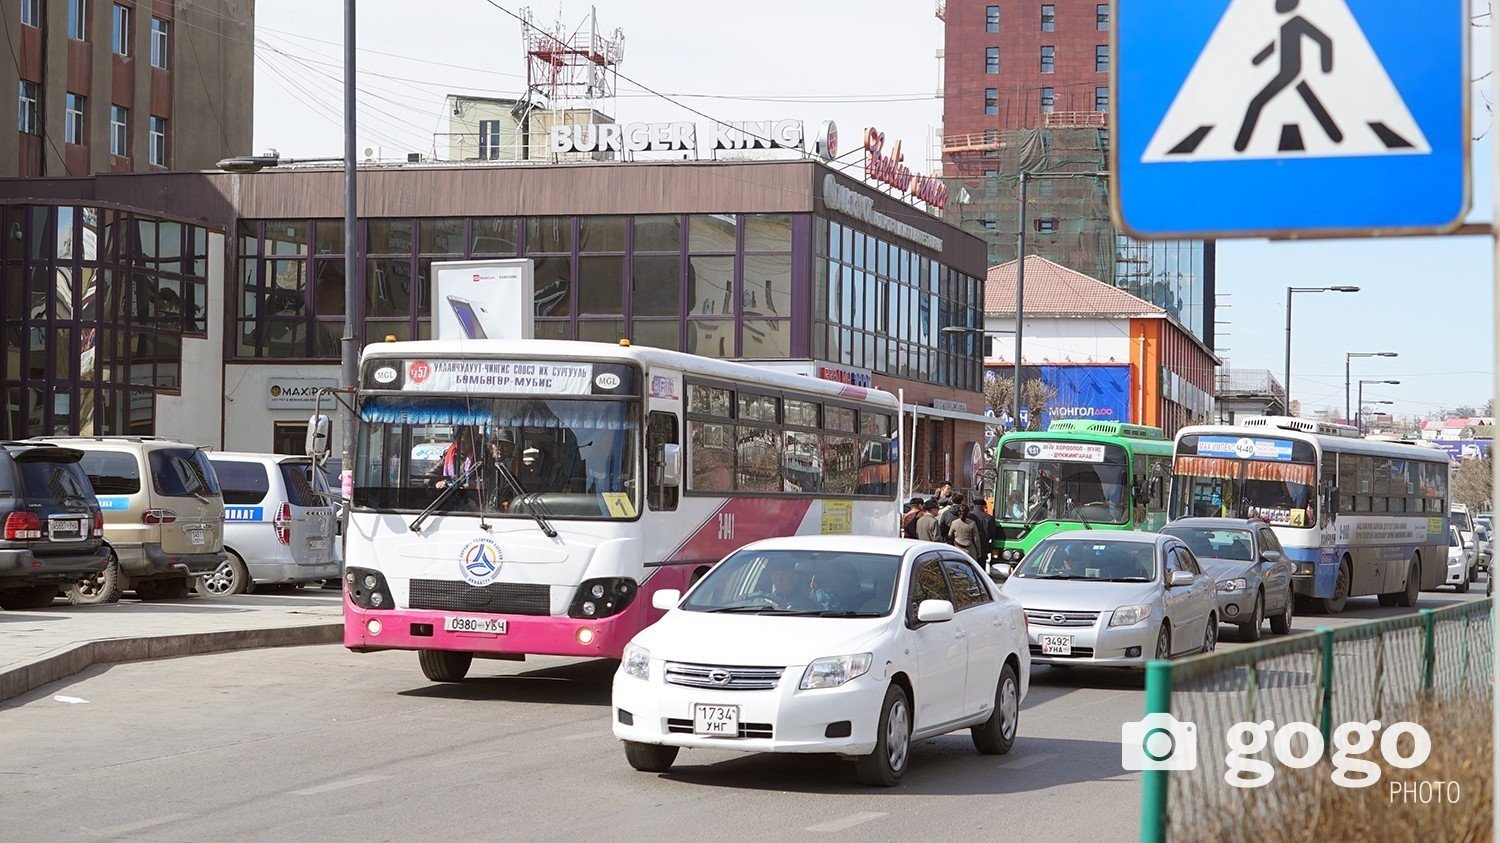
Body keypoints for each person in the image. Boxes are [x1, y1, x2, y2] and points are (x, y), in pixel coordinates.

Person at [756, 560, 820, 610]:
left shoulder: (807, 605)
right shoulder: (764, 601)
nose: (778, 580)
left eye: (783, 575)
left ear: (795, 578)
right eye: (775, 574)